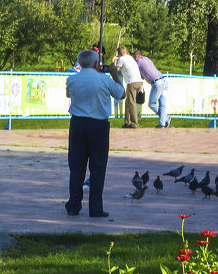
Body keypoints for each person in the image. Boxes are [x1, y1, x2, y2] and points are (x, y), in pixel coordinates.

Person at [65, 49, 124, 218]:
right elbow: (122, 94)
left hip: (77, 124)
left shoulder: (72, 79)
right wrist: (114, 74)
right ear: (96, 63)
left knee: (76, 166)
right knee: (98, 166)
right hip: (98, 125)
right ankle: (95, 208)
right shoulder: (103, 80)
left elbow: (69, 94)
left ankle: (74, 204)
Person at [134, 49, 170, 128]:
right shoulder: (147, 59)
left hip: (157, 83)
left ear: (136, 56)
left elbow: (133, 69)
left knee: (152, 104)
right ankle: (162, 123)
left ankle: (166, 118)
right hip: (164, 80)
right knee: (162, 104)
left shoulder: (138, 61)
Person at [113, 46, 143, 128]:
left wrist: (114, 61)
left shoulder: (121, 59)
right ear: (126, 51)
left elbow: (116, 70)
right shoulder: (130, 57)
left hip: (132, 83)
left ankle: (134, 123)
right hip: (139, 82)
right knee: (128, 102)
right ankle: (127, 122)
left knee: (131, 102)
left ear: (119, 53)